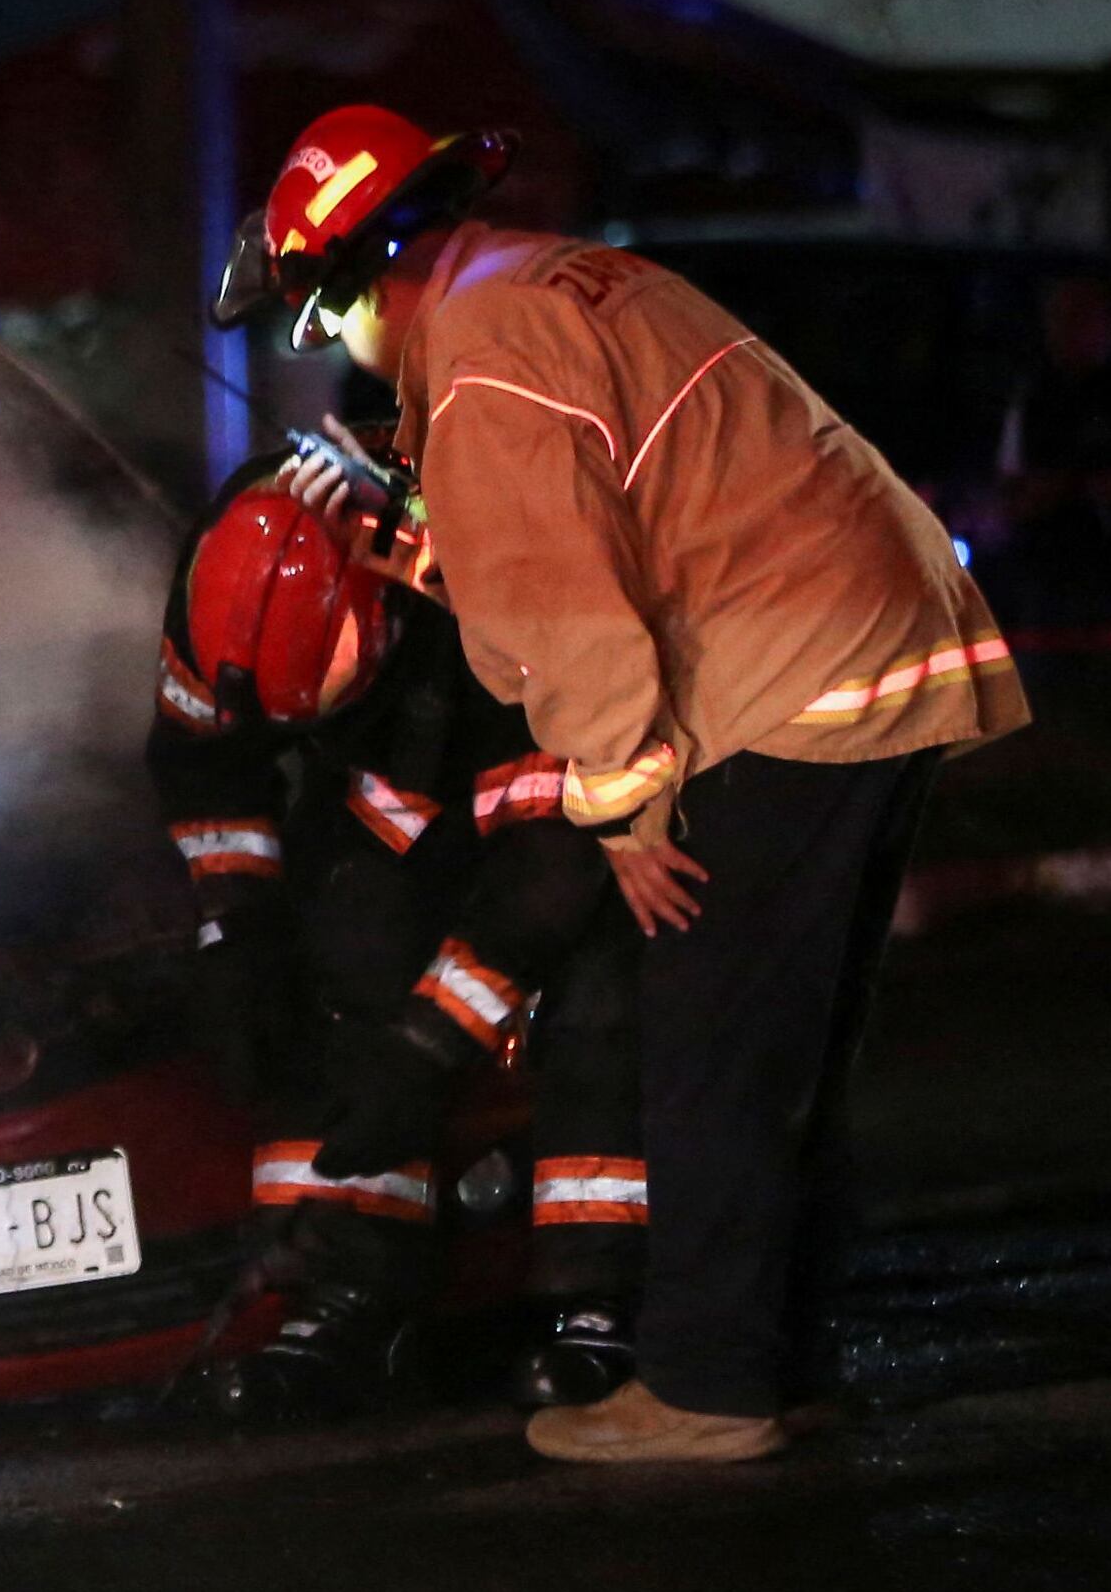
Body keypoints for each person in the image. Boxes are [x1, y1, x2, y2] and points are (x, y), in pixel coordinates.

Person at [218, 103, 1024, 1470]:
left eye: (325, 318)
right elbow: (598, 521)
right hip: (865, 648)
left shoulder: (476, 360)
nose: (336, 350)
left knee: (708, 1043)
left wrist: (626, 803)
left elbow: (579, 616)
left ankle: (707, 1386)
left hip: (785, 677)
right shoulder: (544, 281)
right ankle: (779, 1358)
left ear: (363, 278)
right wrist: (423, 543)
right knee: (782, 1053)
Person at [145, 424, 647, 1419]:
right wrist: (236, 931)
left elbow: (545, 868)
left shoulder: (483, 589)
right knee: (332, 953)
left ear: (374, 608)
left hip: (571, 787)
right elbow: (204, 763)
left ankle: (604, 1302)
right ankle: (348, 1286)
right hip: (394, 789)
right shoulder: (219, 594)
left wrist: (425, 1044)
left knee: (602, 997)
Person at [985, 271, 1111, 626]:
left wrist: (1073, 488)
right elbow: (1008, 488)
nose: (1066, 330)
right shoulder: (1033, 399)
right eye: (1058, 318)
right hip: (1046, 578)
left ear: (1106, 324)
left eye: (1079, 316)